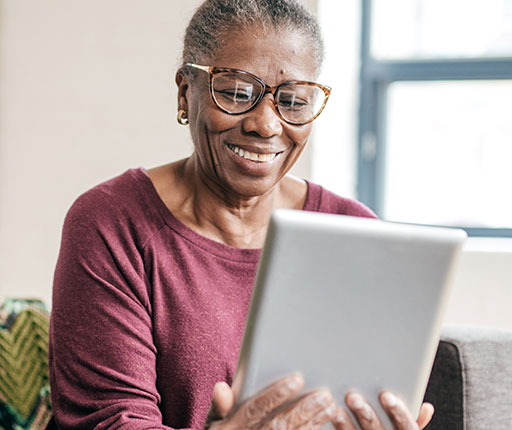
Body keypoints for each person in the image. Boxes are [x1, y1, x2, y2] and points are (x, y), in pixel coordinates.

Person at [48, 0, 435, 429]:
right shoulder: (112, 224)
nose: (266, 125)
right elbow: (111, 421)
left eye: (293, 101)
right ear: (185, 92)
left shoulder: (354, 232)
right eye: (235, 93)